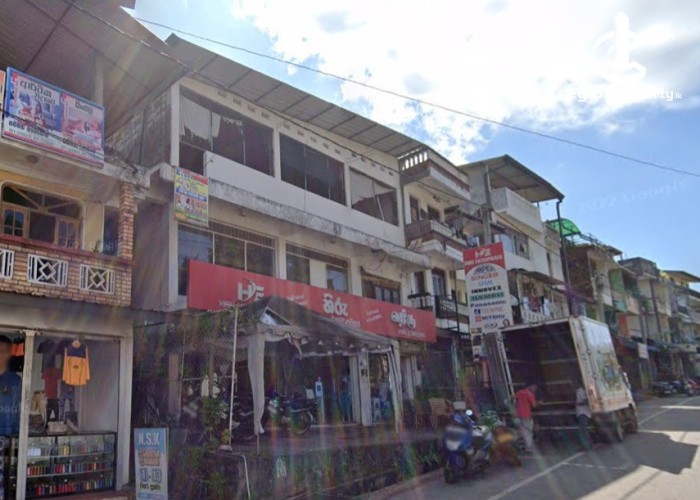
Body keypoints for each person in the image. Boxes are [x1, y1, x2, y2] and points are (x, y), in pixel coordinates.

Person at [0, 335, 22, 436]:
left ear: (9, 353)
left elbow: (20, 407)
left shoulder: (16, 381)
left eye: (3, 351)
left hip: (11, 436)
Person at [515, 383, 539, 453]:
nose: (535, 389)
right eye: (534, 388)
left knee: (521, 431)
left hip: (518, 414)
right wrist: (539, 403)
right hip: (526, 415)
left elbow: (512, 398)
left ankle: (517, 445)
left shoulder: (519, 392)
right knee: (528, 431)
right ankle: (528, 447)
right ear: (531, 386)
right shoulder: (530, 394)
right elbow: (534, 405)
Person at [576, 381, 593, 451]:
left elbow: (585, 401)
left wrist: (578, 403)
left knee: (583, 430)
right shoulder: (584, 390)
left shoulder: (580, 391)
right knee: (584, 430)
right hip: (585, 412)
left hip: (582, 412)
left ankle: (587, 445)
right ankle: (589, 444)